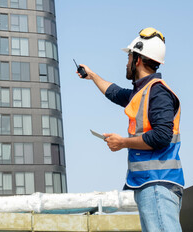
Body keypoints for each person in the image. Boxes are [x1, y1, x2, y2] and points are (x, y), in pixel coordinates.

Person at [76, 27, 184, 232]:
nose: (126, 63)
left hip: (157, 184)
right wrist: (92, 76)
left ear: (139, 60)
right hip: (151, 185)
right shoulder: (142, 92)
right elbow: (115, 93)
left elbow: (162, 136)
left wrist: (122, 142)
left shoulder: (157, 92)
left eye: (129, 57)